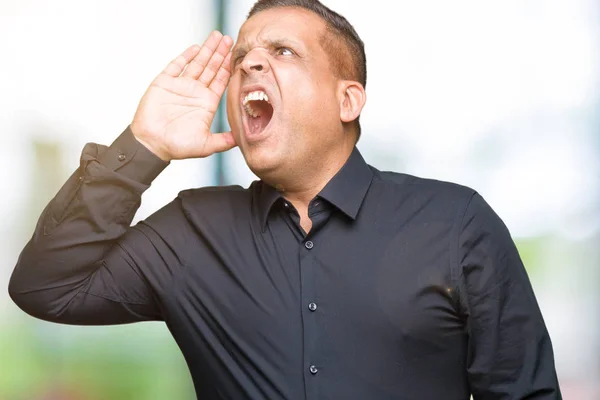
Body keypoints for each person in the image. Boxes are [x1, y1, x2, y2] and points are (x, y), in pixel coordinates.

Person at [8, 0, 562, 399]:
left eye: (282, 51)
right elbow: (46, 287)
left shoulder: (455, 224)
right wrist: (144, 147)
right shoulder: (191, 233)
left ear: (348, 99)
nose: (250, 63)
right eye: (242, 56)